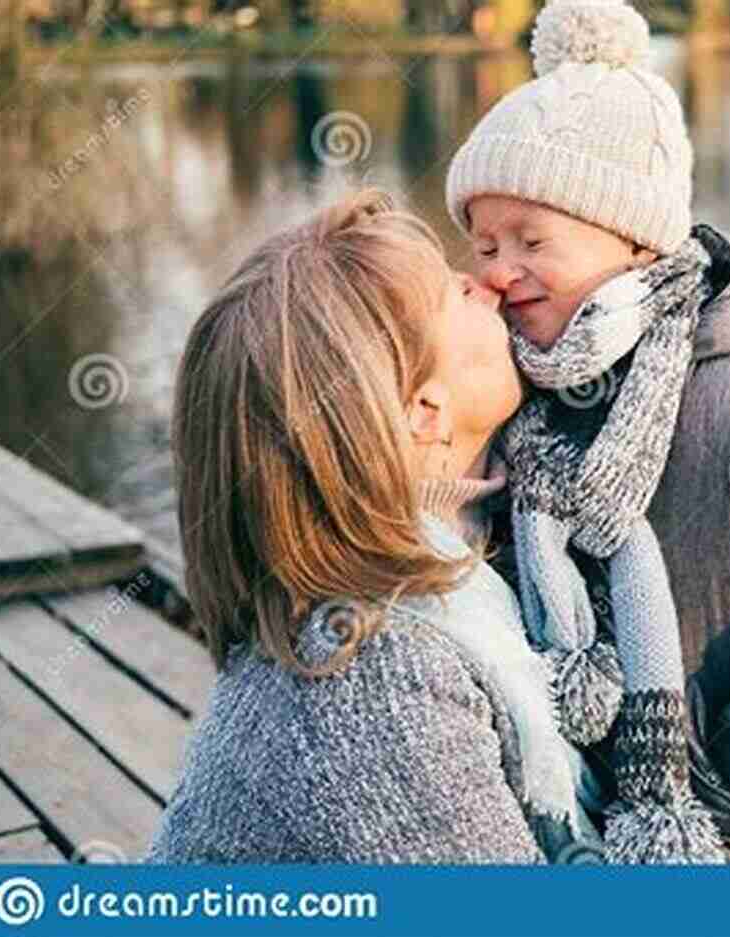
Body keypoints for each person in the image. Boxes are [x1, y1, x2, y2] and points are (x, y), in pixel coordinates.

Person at [446, 0, 730, 864]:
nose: (501, 271)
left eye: (530, 239)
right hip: (590, 840)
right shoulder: (513, 393)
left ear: (634, 236)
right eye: (482, 245)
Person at [145, 190, 601, 863]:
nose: (488, 285)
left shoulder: (435, 571)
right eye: (456, 294)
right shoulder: (373, 678)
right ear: (423, 410)